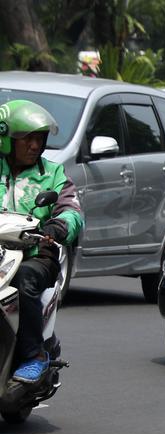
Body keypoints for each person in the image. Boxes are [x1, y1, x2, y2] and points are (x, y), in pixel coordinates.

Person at [0, 99, 83, 383]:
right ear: (8, 139)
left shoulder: (53, 174)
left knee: (25, 280)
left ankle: (33, 355)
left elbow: (72, 210)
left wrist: (59, 226)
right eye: (27, 138)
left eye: (39, 139)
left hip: (36, 254)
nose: (35, 145)